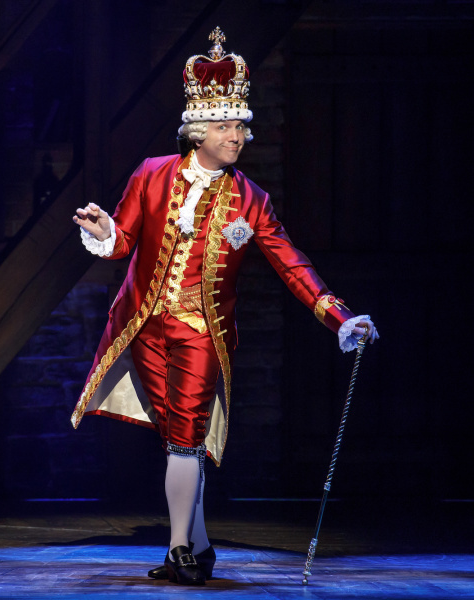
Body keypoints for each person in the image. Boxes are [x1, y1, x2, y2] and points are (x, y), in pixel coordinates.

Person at [70, 27, 378, 586]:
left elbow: (292, 264)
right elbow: (123, 244)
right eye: (225, 126)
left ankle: (179, 551)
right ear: (198, 131)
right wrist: (104, 229)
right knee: (176, 440)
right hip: (144, 326)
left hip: (200, 333)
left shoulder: (251, 200)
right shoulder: (151, 173)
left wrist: (339, 316)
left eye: (240, 126)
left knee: (186, 438)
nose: (237, 136)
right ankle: (201, 547)